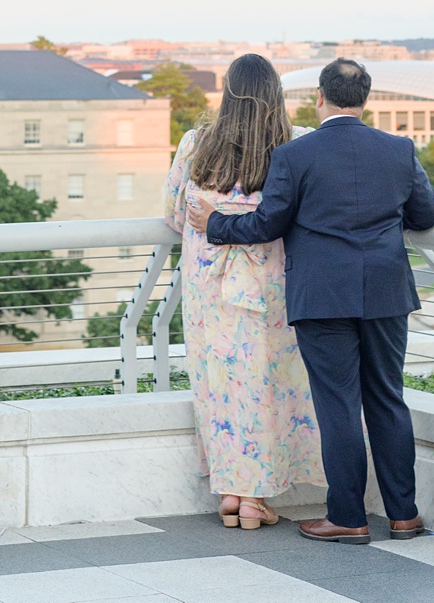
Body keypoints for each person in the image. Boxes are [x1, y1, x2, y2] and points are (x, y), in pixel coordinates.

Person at [188, 56, 434, 545]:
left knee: (339, 404)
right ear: (366, 99)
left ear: (319, 98)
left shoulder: (296, 155)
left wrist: (213, 224)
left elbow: (267, 225)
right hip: (386, 291)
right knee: (388, 398)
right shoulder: (398, 149)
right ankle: (405, 515)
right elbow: (427, 213)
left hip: (322, 295)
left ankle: (348, 518)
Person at [162, 53, 325, 529]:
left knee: (220, 386)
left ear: (227, 93)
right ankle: (254, 499)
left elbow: (174, 215)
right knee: (268, 387)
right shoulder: (296, 145)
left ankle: (232, 493)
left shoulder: (196, 144)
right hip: (272, 285)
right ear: (275, 94)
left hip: (207, 287)